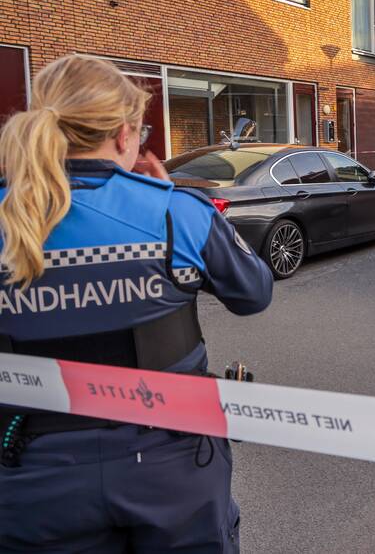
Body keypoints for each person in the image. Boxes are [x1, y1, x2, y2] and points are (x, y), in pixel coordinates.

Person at [0, 55, 273, 552]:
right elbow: (253, 293)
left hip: (31, 471)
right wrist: (171, 200)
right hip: (171, 461)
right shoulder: (175, 212)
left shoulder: (9, 212)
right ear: (125, 135)